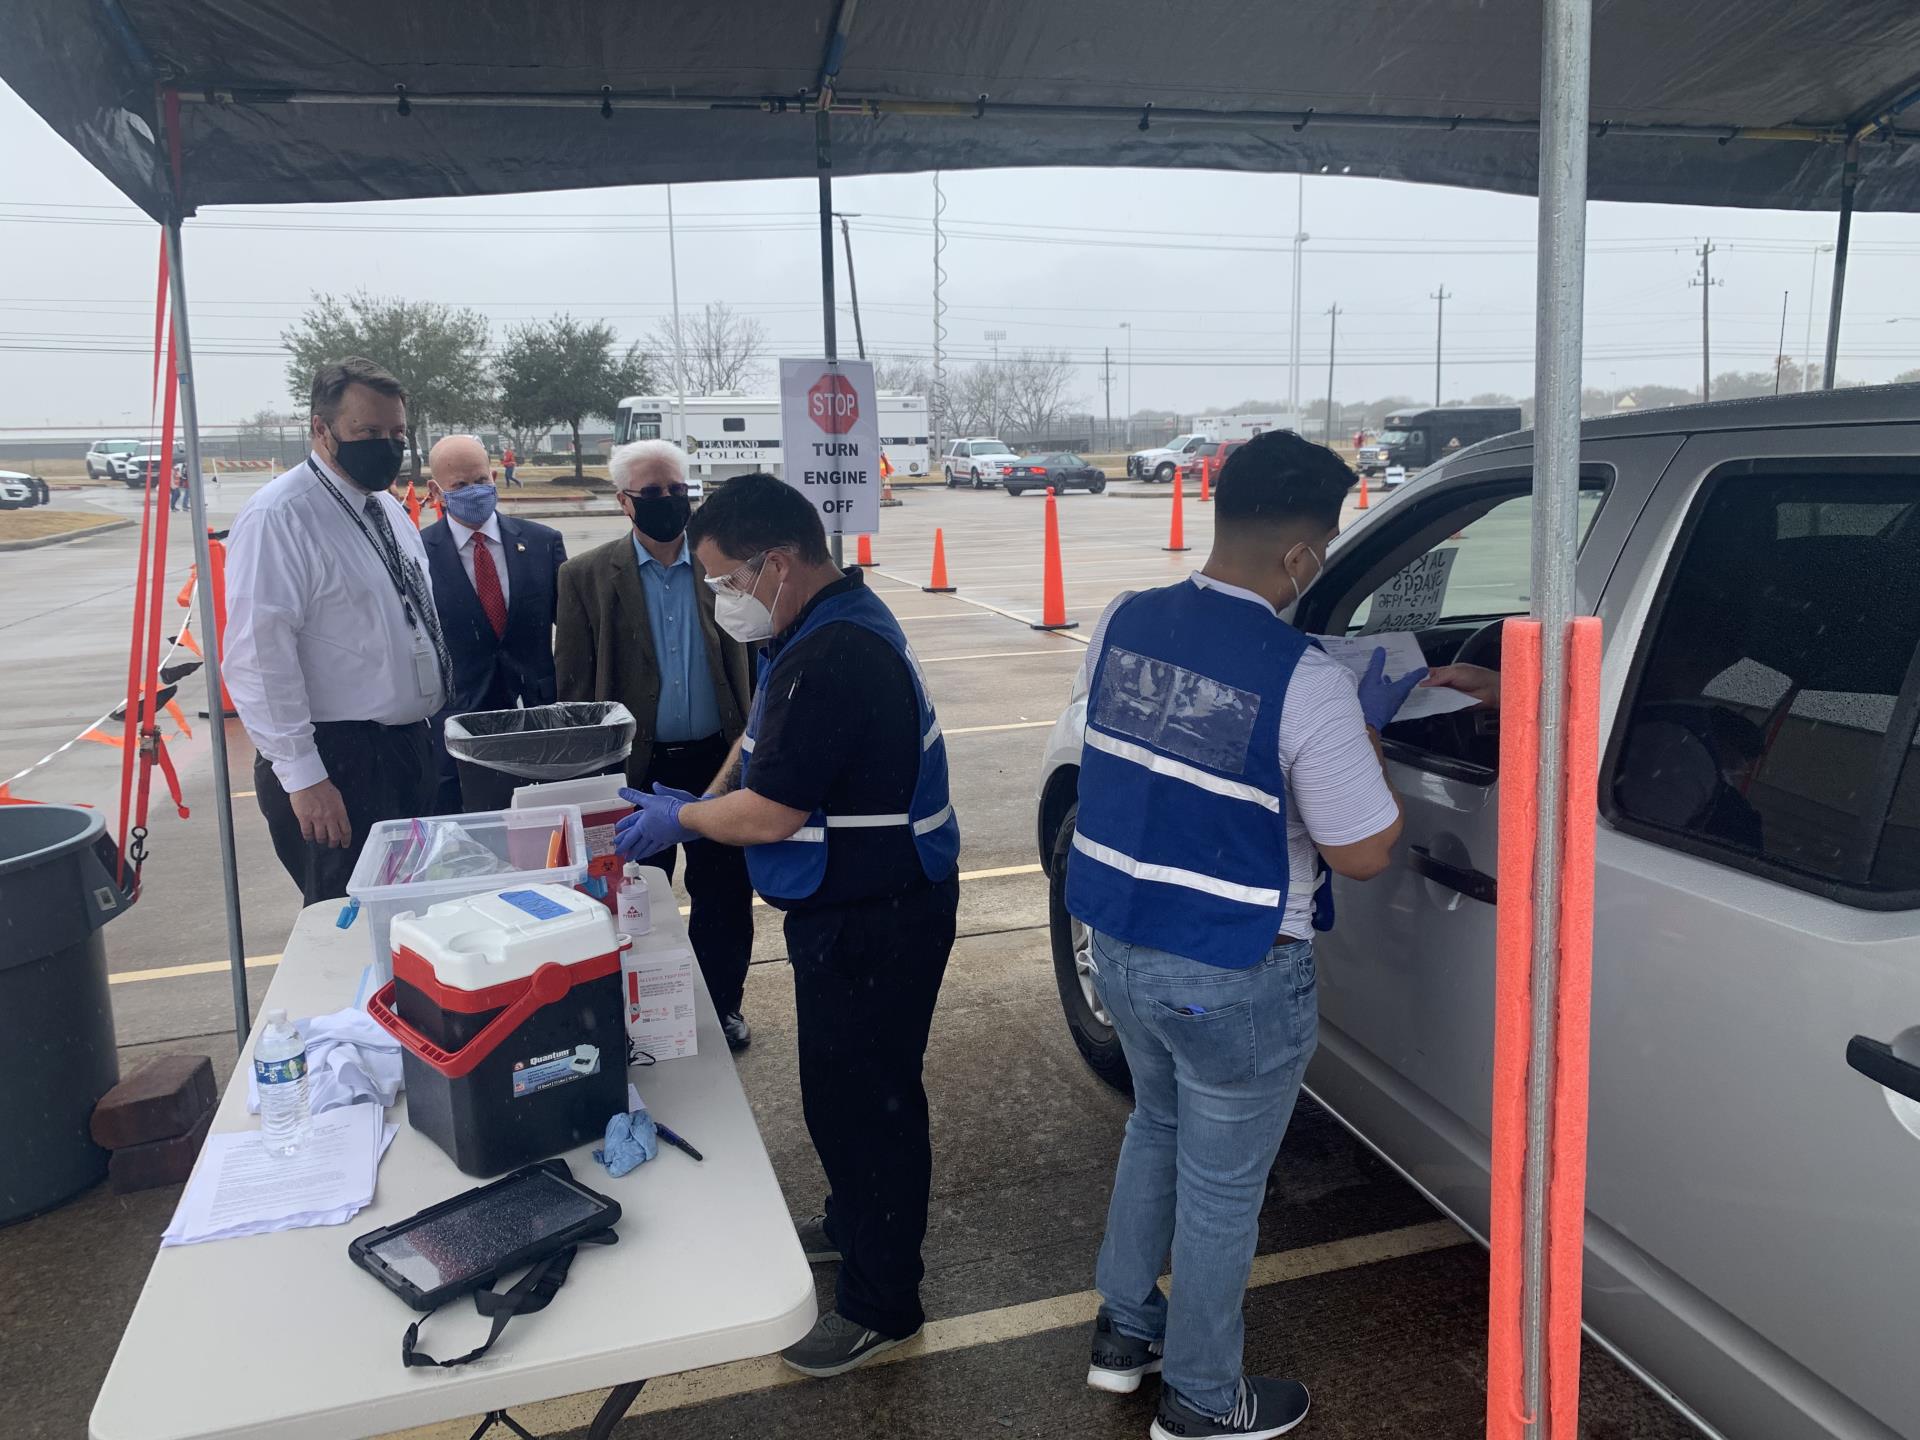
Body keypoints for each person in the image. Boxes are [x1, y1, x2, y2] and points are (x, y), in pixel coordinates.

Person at [1066, 428, 1424, 1440]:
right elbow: (1361, 850)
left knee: (1156, 1129)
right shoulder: (1304, 679)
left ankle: (1123, 1340)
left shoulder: (1122, 622)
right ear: (1304, 556)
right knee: (1223, 1190)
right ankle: (1199, 1397)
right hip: (1233, 966)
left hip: (1123, 944)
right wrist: (1365, 742)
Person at [616, 473, 961, 1379]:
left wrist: (681, 822)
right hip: (849, 909)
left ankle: (884, 1304)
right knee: (839, 1095)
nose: (719, 599)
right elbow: (762, 745)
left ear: (776, 565)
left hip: (879, 918)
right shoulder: (806, 629)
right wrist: (701, 795)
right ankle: (854, 1224)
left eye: (725, 582)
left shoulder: (837, 654)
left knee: (869, 1105)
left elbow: (771, 813)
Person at [225, 356, 451, 904]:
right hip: (340, 762)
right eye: (368, 432)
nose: (388, 446)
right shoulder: (281, 516)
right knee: (347, 927)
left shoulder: (387, 509)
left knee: (416, 919)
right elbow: (258, 656)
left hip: (408, 750)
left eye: (397, 432)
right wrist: (305, 779)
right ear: (321, 430)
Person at [554, 439, 755, 1050]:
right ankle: (634, 1010)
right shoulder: (585, 577)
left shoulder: (725, 569)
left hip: (718, 762)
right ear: (624, 502)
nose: (670, 502)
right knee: (632, 899)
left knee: (724, 899)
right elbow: (574, 691)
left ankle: (721, 1007)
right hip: (634, 773)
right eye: (653, 494)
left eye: (678, 490)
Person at [420, 434, 568, 812]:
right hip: (459, 725)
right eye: (460, 486)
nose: (475, 492)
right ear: (436, 490)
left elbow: (568, 630)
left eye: (481, 481)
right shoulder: (418, 554)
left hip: (537, 720)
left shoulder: (542, 543)